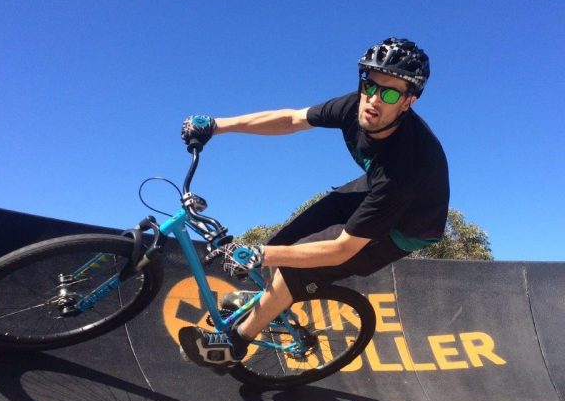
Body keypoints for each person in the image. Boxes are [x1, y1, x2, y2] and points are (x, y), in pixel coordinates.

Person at [178, 37, 449, 370]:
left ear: (408, 102)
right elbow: (292, 119)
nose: (374, 100)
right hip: (372, 188)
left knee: (293, 264)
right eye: (370, 85)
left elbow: (341, 250)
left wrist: (260, 254)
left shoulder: (406, 166)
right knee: (282, 243)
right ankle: (272, 301)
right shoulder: (354, 106)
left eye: (390, 93)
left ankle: (233, 345)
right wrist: (219, 125)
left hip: (408, 225)